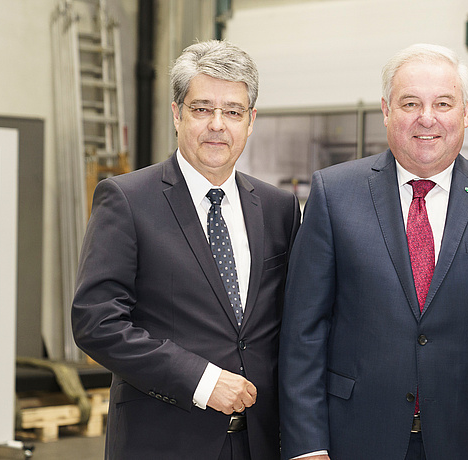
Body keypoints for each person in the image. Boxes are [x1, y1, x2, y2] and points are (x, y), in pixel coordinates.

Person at [279, 43, 468, 460]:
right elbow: (303, 334)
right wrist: (307, 446)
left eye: (443, 102)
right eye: (410, 103)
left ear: (465, 111)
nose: (427, 118)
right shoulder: (334, 194)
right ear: (386, 110)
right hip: (353, 441)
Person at [72, 40, 300, 460]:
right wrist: (201, 379)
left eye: (232, 111)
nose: (217, 124)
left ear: (250, 121)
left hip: (259, 443)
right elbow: (96, 321)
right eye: (202, 108)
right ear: (177, 114)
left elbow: (290, 324)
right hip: (163, 441)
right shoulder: (126, 199)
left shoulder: (278, 207)